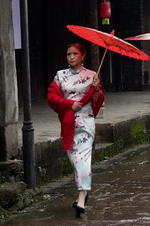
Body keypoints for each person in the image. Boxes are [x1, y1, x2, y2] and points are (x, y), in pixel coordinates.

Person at [46, 43, 103, 217]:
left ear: (82, 56)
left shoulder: (92, 75)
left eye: (75, 54)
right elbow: (51, 96)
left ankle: (81, 199)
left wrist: (95, 89)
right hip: (68, 122)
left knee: (83, 159)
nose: (71, 57)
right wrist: (69, 104)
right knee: (74, 160)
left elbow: (98, 100)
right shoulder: (60, 75)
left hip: (85, 122)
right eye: (68, 54)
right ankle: (83, 192)